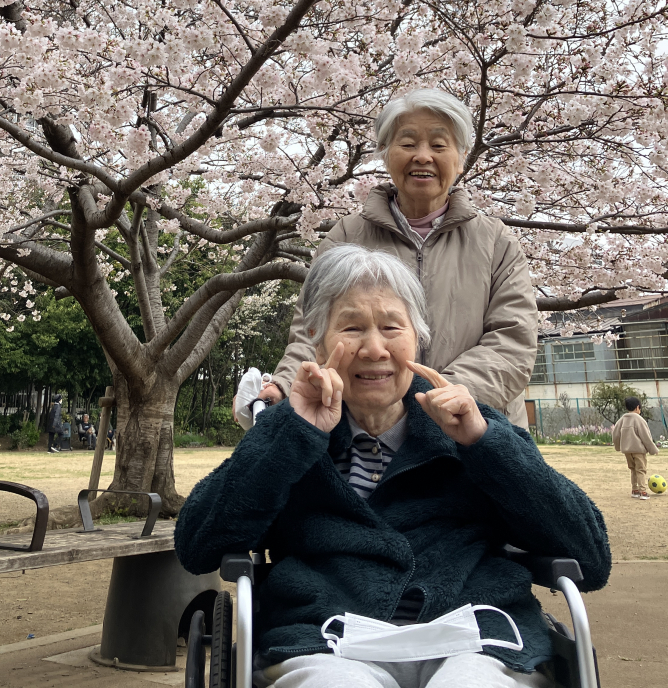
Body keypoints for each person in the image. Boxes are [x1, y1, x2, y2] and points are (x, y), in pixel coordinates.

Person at [177, 246, 609, 688]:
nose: (374, 349)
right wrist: (292, 434)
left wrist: (485, 444)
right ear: (316, 338)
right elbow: (198, 545)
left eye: (391, 327)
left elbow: (590, 559)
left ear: (417, 336)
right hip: (325, 641)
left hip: (476, 639)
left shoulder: (472, 427)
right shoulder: (290, 431)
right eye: (351, 327)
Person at [256, 89, 538, 427]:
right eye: (407, 143)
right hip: (368, 430)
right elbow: (312, 330)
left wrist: (437, 398)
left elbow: (513, 340)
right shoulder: (346, 235)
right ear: (385, 154)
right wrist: (283, 385)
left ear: (462, 157)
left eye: (438, 145)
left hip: (472, 425)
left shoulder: (496, 242)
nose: (423, 156)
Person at [611, 396, 657, 500]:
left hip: (627, 451)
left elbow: (615, 435)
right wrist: (653, 449)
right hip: (638, 450)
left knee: (633, 469)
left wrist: (618, 447)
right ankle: (642, 491)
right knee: (641, 470)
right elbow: (646, 436)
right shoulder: (639, 419)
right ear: (637, 407)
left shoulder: (622, 419)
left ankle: (635, 490)